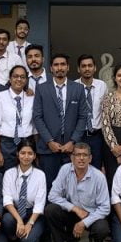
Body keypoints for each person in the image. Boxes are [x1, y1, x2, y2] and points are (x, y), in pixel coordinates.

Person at [47, 142, 111, 242]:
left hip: (91, 215)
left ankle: (95, 241)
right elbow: (52, 195)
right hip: (72, 213)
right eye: (77, 155)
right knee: (51, 210)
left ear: (90, 158)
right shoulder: (65, 170)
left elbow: (105, 208)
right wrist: (75, 209)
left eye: (85, 155)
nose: (81, 158)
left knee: (102, 227)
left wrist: (83, 223)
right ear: (72, 158)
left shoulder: (99, 176)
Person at [32, 53, 85, 188]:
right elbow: (37, 117)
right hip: (49, 148)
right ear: (51, 68)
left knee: (72, 186)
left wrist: (73, 141)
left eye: (63, 64)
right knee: (50, 186)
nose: (59, 67)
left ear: (68, 67)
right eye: (56, 65)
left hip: (71, 148)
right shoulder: (42, 88)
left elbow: (83, 117)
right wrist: (49, 141)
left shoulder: (78, 88)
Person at [1, 139, 47, 242]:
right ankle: (13, 241)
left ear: (34, 156)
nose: (26, 157)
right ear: (17, 154)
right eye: (23, 153)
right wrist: (19, 221)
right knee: (7, 219)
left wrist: (30, 224)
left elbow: (40, 204)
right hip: (16, 213)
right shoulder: (9, 174)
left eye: (30, 153)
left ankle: (33, 237)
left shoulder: (40, 175)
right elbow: (7, 201)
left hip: (33, 215)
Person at [0, 65, 36, 171]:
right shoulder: (0, 97)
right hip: (6, 145)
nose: (19, 79)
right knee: (6, 177)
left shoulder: (31, 98)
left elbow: (35, 126)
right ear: (10, 79)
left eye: (22, 77)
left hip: (27, 143)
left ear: (26, 80)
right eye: (15, 76)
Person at [74, 54, 107, 170]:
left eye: (90, 65)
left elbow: (105, 111)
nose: (87, 68)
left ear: (95, 68)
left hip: (97, 136)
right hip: (79, 135)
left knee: (96, 169)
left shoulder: (102, 86)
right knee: (78, 169)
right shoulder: (73, 86)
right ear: (78, 69)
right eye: (83, 66)